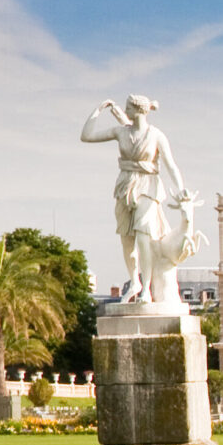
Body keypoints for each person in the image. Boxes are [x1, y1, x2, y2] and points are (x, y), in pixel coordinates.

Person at [81, 96, 187, 302]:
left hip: (148, 185)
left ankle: (146, 288)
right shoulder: (121, 132)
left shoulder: (156, 135)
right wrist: (98, 110)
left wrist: (181, 190)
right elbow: (86, 136)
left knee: (143, 235)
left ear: (137, 110)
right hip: (125, 185)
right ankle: (134, 282)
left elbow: (170, 165)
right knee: (126, 239)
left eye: (128, 107)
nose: (124, 109)